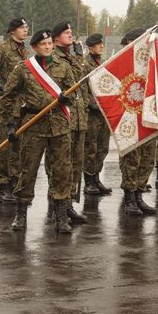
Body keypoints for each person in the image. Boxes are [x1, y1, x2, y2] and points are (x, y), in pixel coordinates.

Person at [0, 29, 76, 233]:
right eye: (43, 44)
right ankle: (21, 213)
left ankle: (61, 217)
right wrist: (10, 123)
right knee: (28, 170)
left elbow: (74, 92)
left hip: (59, 125)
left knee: (62, 171)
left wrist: (66, 99)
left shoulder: (64, 67)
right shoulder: (24, 69)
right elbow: (7, 96)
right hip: (33, 124)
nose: (48, 46)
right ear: (34, 47)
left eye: (50, 43)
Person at [0, 17, 29, 205]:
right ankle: (3, 186)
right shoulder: (2, 48)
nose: (25, 30)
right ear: (12, 31)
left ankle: (15, 182)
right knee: (4, 144)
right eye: (22, 28)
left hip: (22, 103)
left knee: (19, 145)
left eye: (26, 28)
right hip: (7, 104)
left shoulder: (24, 50)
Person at [51, 21, 89, 225]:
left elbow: (81, 81)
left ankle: (69, 205)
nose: (71, 36)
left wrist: (78, 56)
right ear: (56, 37)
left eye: (71, 33)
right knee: (61, 166)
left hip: (79, 119)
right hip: (62, 119)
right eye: (67, 33)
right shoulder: (52, 58)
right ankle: (57, 204)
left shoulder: (73, 57)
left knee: (76, 164)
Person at [117, 29, 158, 215]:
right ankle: (129, 198)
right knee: (131, 160)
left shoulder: (150, 62)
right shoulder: (120, 62)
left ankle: (139, 194)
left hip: (147, 115)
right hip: (128, 117)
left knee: (148, 158)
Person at [83, 33, 112, 195]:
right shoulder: (84, 65)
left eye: (102, 44)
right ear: (90, 47)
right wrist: (90, 103)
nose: (102, 46)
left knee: (103, 147)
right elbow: (80, 88)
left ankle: (96, 177)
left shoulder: (102, 64)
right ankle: (88, 181)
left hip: (103, 112)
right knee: (90, 147)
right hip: (91, 114)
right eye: (98, 44)